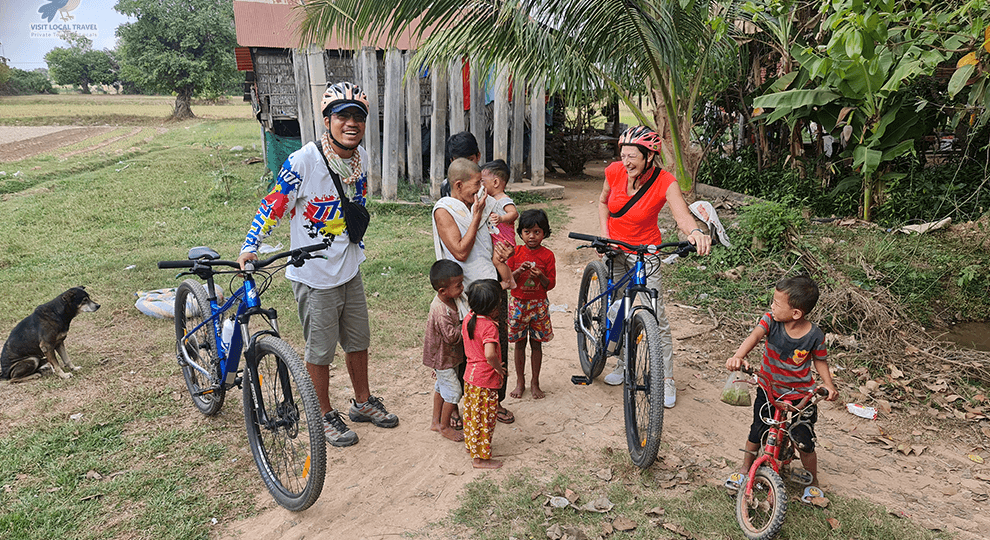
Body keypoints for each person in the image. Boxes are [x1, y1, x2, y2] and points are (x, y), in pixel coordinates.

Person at [237, 81, 398, 449]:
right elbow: (274, 204)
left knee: (358, 343)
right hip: (314, 275)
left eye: (358, 116)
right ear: (327, 120)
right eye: (343, 116)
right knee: (320, 351)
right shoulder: (303, 160)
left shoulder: (359, 159)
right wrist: (250, 245)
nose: (351, 123)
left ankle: (361, 402)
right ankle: (322, 414)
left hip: (349, 268)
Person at [598, 125, 712, 408]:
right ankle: (623, 364)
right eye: (623, 155)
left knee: (655, 316)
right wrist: (605, 235)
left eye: (632, 156)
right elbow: (603, 202)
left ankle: (665, 379)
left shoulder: (665, 182)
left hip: (646, 253)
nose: (626, 162)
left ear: (649, 156)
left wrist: (694, 233)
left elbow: (682, 214)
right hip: (615, 250)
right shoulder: (613, 172)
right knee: (619, 309)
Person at [723, 275, 838, 502]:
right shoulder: (770, 321)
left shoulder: (815, 335)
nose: (771, 306)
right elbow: (754, 336)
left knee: (803, 439)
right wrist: (738, 356)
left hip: (801, 395)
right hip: (769, 388)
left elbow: (820, 360)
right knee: (757, 430)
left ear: (796, 313)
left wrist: (828, 384)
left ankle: (813, 481)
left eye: (776, 303)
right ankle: (746, 468)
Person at [432, 158, 516, 424]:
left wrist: (504, 252)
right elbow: (459, 250)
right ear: (458, 185)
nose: (482, 188)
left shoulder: (484, 201)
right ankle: (457, 405)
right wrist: (476, 215)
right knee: (463, 348)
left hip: (491, 286)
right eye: (476, 183)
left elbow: (498, 235)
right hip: (463, 290)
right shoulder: (444, 210)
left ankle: (495, 401)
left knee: (496, 342)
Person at [507, 209, 556, 399]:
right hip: (518, 304)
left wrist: (541, 276)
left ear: (545, 233)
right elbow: (508, 280)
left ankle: (535, 382)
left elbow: (550, 284)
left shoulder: (548, 256)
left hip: (538, 306)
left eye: (537, 232)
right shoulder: (515, 252)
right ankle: (520, 382)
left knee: (537, 345)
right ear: (521, 233)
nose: (532, 236)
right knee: (519, 344)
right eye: (527, 232)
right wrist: (519, 271)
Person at [461, 279, 506, 469]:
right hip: (485, 379)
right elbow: (489, 354)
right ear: (493, 307)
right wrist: (498, 368)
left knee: (472, 415)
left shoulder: (469, 317)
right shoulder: (489, 327)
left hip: (470, 378)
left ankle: (471, 445)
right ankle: (480, 459)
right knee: (485, 419)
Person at [423, 260, 466, 442]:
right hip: (443, 358)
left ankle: (435, 421)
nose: (462, 288)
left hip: (448, 357)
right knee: (454, 392)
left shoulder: (451, 299)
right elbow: (451, 337)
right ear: (442, 291)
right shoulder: (441, 311)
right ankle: (445, 426)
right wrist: (467, 325)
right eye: (458, 285)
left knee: (441, 388)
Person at [482, 159, 518, 248]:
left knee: (499, 261)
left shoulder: (503, 199)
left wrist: (502, 218)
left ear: (495, 182)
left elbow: (514, 213)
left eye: (482, 181)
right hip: (496, 240)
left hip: (505, 242)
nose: (480, 184)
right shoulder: (489, 199)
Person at [440, 131, 482, 198]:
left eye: (470, 160)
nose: (465, 166)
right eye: (459, 161)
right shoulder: (446, 186)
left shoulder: (487, 182)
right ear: (452, 161)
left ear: (478, 156)